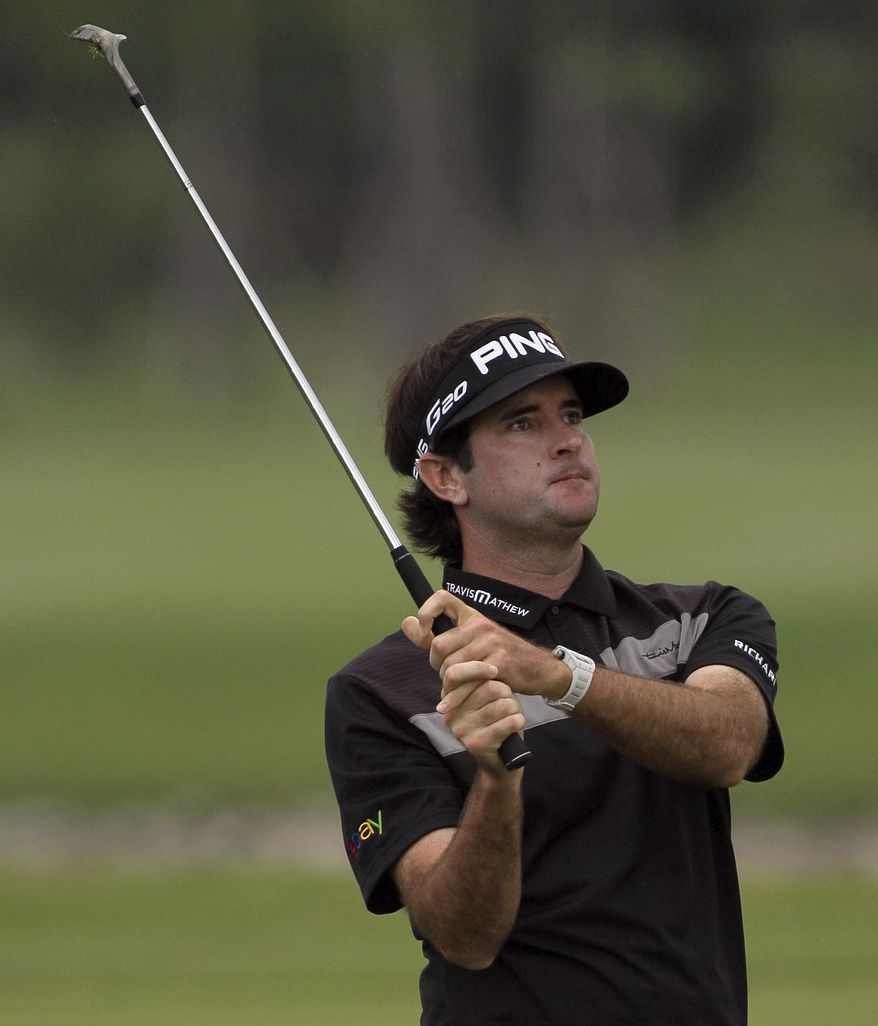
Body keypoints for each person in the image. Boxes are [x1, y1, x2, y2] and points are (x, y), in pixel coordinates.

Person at [324, 313, 783, 1026]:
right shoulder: (382, 693)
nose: (567, 438)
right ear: (447, 476)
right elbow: (465, 936)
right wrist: (498, 781)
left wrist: (556, 677)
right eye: (520, 423)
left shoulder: (700, 620)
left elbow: (726, 744)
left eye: (570, 414)